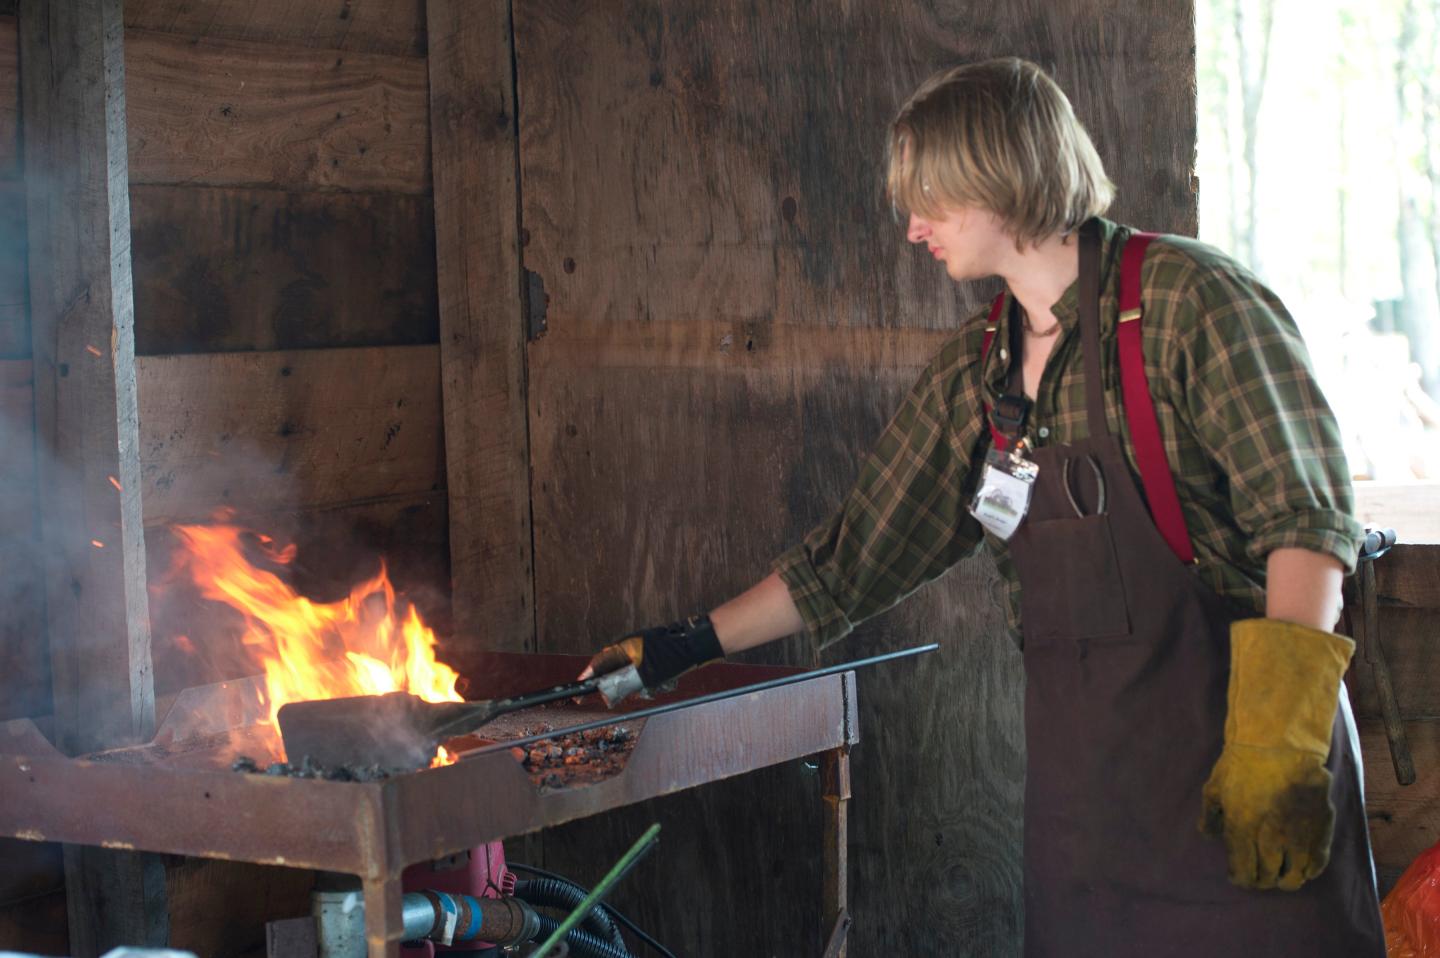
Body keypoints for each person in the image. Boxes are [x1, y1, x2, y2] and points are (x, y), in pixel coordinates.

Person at [581, 57, 1386, 955]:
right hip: (1089, 825)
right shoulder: (979, 369)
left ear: (1003, 177)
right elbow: (853, 558)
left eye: (933, 197)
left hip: (1246, 783)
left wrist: (1277, 748)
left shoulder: (1190, 304)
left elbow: (1307, 525)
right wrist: (684, 646)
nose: (914, 224)